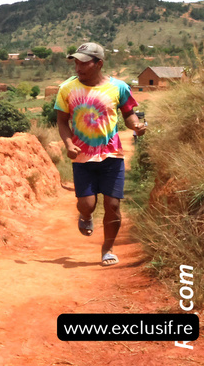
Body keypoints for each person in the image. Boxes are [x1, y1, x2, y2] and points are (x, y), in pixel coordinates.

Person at [55, 42, 145, 267]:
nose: (78, 67)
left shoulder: (119, 87)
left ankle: (108, 249)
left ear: (99, 64)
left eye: (84, 62)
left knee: (113, 204)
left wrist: (136, 126)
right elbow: (62, 121)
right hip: (82, 157)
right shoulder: (67, 89)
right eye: (76, 61)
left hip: (111, 154)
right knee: (87, 203)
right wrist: (68, 144)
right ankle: (85, 216)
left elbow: (128, 115)